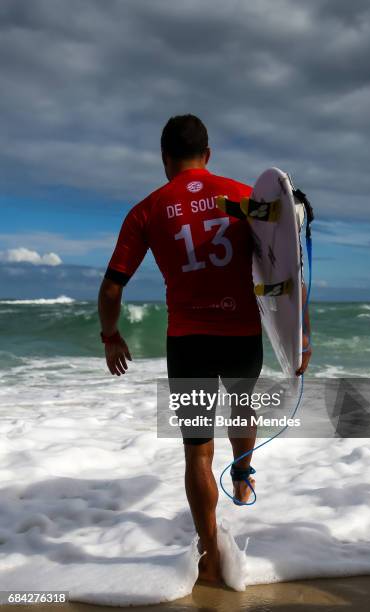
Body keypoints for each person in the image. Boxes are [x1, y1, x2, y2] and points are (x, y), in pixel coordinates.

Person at [98, 114, 312, 584]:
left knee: (196, 453)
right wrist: (301, 334)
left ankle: (208, 552)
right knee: (242, 407)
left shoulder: (148, 211)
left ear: (164, 159)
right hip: (241, 336)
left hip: (188, 342)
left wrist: (111, 335)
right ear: (208, 155)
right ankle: (241, 473)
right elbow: (287, 265)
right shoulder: (241, 198)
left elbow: (112, 288)